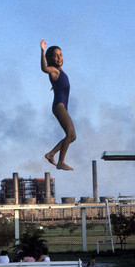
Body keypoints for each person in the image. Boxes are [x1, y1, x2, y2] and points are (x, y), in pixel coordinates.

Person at [40, 39, 76, 171]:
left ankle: (51, 154)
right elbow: (44, 68)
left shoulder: (61, 72)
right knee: (70, 133)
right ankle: (61, 161)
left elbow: (59, 84)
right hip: (59, 106)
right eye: (56, 55)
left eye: (61, 55)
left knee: (72, 136)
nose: (60, 57)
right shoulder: (54, 71)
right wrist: (43, 51)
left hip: (62, 106)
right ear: (50, 58)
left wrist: (55, 86)